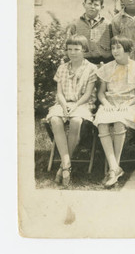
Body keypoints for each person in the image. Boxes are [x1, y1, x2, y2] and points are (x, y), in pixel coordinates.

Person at [93, 36, 135, 188]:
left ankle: (113, 169)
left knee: (119, 121)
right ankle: (115, 168)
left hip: (130, 104)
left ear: (128, 49)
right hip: (110, 104)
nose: (115, 51)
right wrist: (106, 103)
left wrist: (127, 103)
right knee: (102, 123)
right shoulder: (106, 69)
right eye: (113, 48)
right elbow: (101, 93)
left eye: (118, 47)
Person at [46, 35, 98, 187]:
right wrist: (63, 106)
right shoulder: (62, 68)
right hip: (63, 103)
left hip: (82, 104)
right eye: (69, 49)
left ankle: (63, 166)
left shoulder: (91, 68)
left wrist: (74, 106)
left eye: (76, 49)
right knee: (55, 119)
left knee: (75, 120)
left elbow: (88, 94)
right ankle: (67, 163)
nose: (73, 52)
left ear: (84, 50)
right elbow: (60, 93)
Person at [67, 0, 113, 65]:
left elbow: (114, 45)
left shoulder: (108, 25)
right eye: (89, 4)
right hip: (82, 64)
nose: (92, 7)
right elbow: (68, 45)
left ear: (102, 7)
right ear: (84, 5)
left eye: (96, 5)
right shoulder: (75, 24)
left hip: (104, 63)